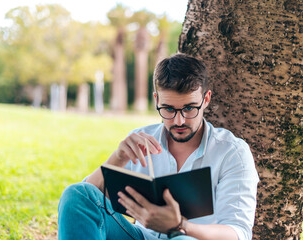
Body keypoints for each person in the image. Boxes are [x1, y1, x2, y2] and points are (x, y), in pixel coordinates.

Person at [58, 53, 259, 240]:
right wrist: (117, 159)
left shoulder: (232, 153)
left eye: (189, 108)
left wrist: (180, 225)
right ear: (156, 100)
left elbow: (238, 233)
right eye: (168, 109)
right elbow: (85, 205)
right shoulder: (140, 140)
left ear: (205, 99)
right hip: (141, 237)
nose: (179, 121)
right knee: (76, 194)